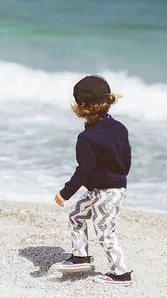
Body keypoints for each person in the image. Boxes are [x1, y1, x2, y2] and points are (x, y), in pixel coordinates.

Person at [53, 74, 133, 286]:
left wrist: (65, 193)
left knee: (106, 232)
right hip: (111, 188)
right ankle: (80, 256)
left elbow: (83, 171)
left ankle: (120, 273)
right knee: (76, 215)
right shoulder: (120, 128)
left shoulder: (87, 138)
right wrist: (119, 177)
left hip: (107, 192)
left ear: (81, 107)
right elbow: (126, 159)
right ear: (108, 102)